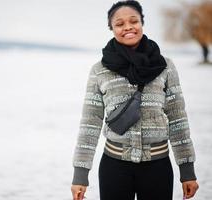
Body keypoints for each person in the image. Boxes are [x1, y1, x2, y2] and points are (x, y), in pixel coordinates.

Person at [71, 1, 199, 200]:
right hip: (114, 167)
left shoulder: (165, 66)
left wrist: (187, 170)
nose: (128, 27)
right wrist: (80, 175)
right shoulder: (100, 70)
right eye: (119, 24)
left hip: (158, 167)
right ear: (112, 28)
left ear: (142, 23)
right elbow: (90, 123)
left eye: (134, 21)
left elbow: (177, 119)